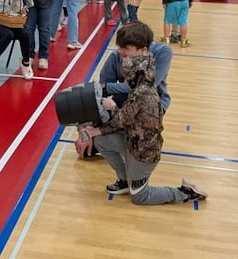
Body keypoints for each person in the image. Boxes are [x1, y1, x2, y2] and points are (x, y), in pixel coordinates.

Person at [77, 22, 207, 206]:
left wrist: (101, 120)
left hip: (142, 149)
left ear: (143, 52)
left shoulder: (144, 93)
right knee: (100, 141)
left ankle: (185, 192)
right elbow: (106, 98)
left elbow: (119, 110)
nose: (121, 55)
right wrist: (91, 128)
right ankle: (126, 180)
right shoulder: (136, 83)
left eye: (126, 53)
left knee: (140, 197)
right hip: (131, 132)